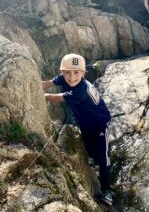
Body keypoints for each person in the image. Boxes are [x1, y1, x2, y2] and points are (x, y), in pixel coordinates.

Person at [42, 53, 113, 206]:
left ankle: (107, 189)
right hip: (86, 122)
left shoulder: (82, 90)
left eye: (76, 72)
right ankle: (92, 159)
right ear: (62, 72)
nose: (71, 76)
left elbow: (57, 97)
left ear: (83, 73)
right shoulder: (63, 78)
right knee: (88, 144)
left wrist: (41, 95)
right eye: (67, 72)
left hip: (100, 124)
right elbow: (48, 83)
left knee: (103, 158)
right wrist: (34, 84)